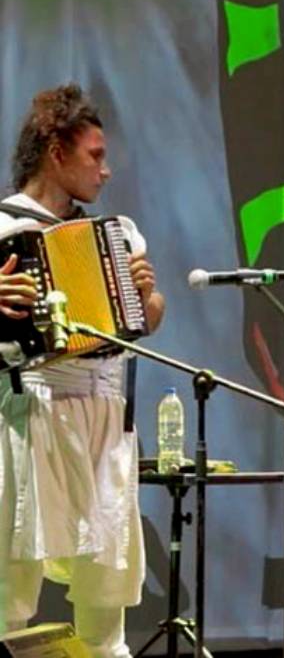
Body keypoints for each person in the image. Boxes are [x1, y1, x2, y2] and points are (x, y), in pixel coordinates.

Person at [0, 84, 165, 657]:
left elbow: (147, 319)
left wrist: (146, 295)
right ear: (56, 152)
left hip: (106, 414)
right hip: (35, 410)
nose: (106, 170)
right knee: (12, 583)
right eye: (94, 155)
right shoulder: (4, 230)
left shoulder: (115, 234)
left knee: (105, 587)